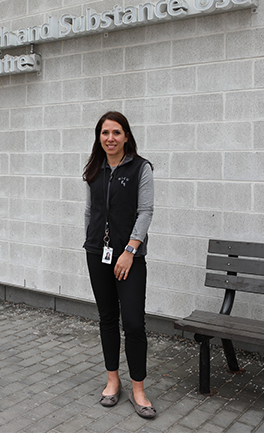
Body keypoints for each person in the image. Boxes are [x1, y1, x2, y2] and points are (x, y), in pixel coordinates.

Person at [83, 111, 155, 418]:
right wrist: (90, 241)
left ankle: (138, 389)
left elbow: (146, 211)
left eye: (116, 132)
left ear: (126, 136)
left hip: (130, 257)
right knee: (107, 318)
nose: (110, 138)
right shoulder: (94, 169)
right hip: (97, 253)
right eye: (104, 133)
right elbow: (89, 211)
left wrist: (130, 249)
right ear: (99, 137)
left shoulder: (141, 168)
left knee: (134, 323)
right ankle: (113, 381)